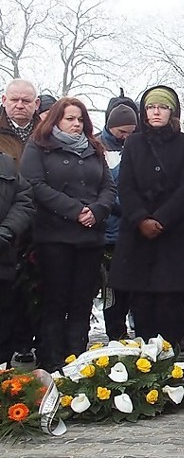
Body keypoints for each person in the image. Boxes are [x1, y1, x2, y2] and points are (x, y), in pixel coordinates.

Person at [20, 97, 116, 372]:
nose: (76, 124)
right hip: (55, 236)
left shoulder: (95, 148)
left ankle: (77, 355)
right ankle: (51, 358)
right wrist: (75, 210)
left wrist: (96, 210)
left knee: (82, 299)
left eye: (80, 119)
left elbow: (108, 186)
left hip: (90, 237)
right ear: (56, 121)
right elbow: (35, 185)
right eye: (69, 119)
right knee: (56, 298)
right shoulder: (39, 147)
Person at [109, 86, 184, 353]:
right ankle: (144, 361)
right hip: (138, 234)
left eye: (162, 107)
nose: (156, 112)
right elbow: (125, 186)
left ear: (172, 111)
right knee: (142, 301)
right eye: (151, 107)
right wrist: (141, 219)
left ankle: (170, 354)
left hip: (173, 233)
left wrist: (161, 219)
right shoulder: (135, 143)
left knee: (171, 301)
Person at [0, 79, 40, 364]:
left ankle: (27, 341)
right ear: (4, 100)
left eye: (26, 100)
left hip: (41, 218)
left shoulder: (47, 131)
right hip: (7, 221)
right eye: (14, 99)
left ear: (36, 104)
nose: (20, 105)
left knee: (35, 286)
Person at [98, 99, 139, 341]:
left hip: (133, 228)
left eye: (130, 133)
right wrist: (123, 208)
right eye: (121, 132)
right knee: (112, 290)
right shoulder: (98, 146)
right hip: (110, 229)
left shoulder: (136, 147)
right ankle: (115, 333)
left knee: (132, 288)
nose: (125, 137)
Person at [0, 151, 35, 367]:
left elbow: (24, 200)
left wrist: (6, 232)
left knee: (3, 322)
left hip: (3, 256)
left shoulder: (6, 163)